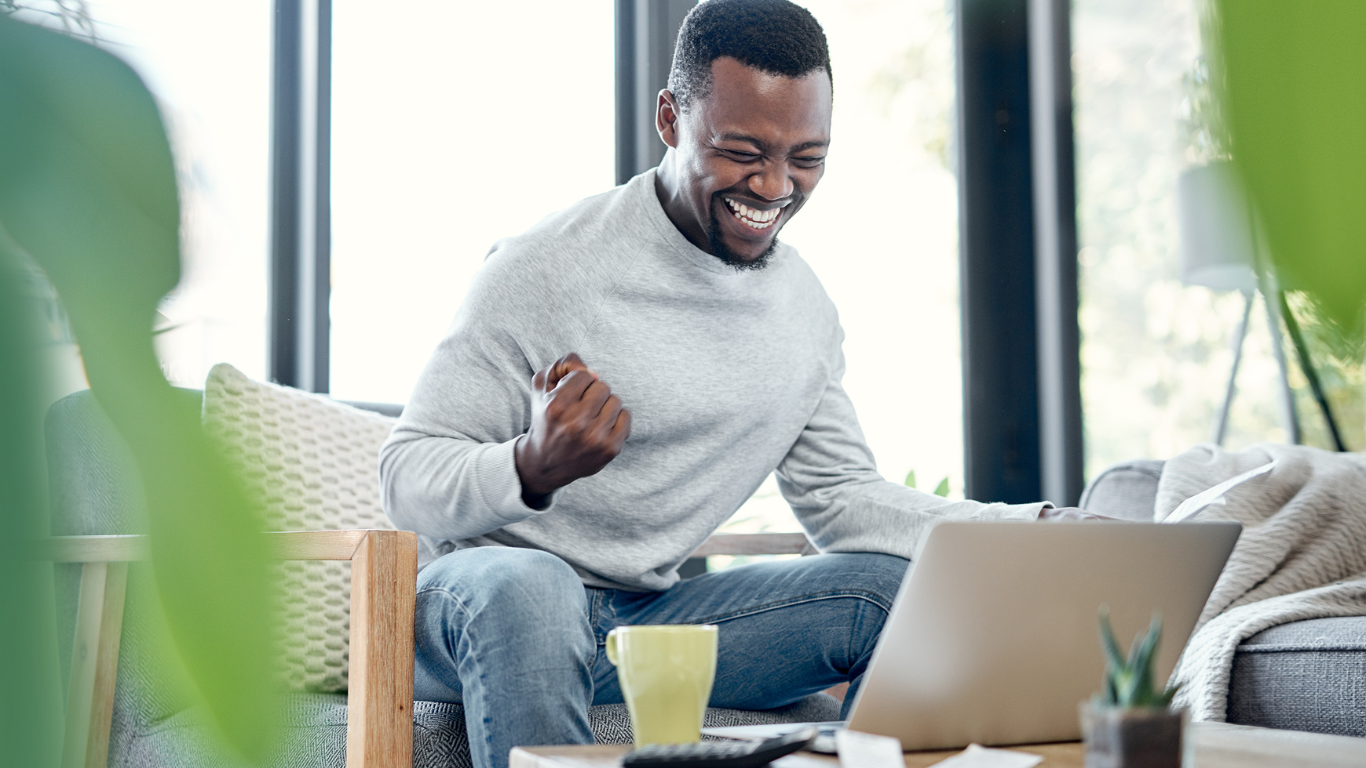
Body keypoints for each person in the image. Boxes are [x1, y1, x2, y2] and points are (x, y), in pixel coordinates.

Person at [379, 2, 1096, 766]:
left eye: (807, 157)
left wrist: (1038, 527)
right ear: (670, 119)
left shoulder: (803, 312)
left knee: (892, 593)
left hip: (644, 625)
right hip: (485, 608)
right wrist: (530, 465)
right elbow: (404, 475)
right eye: (742, 151)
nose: (776, 185)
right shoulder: (545, 267)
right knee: (534, 589)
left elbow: (841, 495)